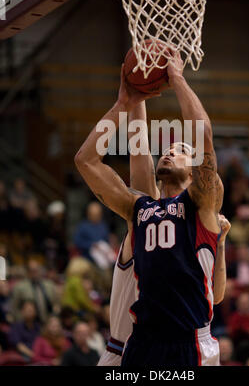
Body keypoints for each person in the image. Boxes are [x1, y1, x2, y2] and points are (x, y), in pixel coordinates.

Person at [75, 51, 229, 367]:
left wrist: (177, 78)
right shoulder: (139, 208)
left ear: (195, 170)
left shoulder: (201, 205)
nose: (170, 153)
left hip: (188, 343)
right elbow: (87, 161)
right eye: (167, 149)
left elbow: (204, 138)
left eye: (181, 151)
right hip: (142, 343)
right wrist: (123, 105)